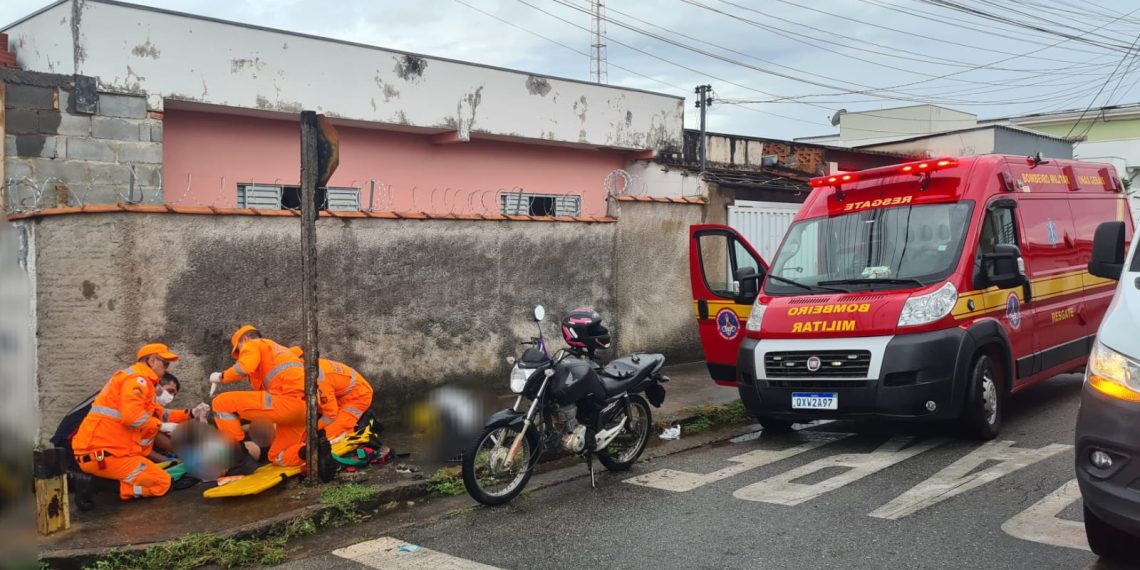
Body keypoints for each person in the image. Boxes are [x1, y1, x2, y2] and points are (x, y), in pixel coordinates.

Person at [209, 325, 335, 481]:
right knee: (277, 457)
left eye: (239, 350)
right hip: (305, 410)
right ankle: (310, 451)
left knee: (221, 403)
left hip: (288, 403)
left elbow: (244, 367)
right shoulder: (279, 352)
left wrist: (220, 377)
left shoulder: (253, 344)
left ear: (245, 339)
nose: (240, 354)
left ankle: (237, 459)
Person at [71, 343, 180, 500]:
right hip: (105, 455)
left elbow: (159, 415)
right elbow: (132, 418)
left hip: (103, 453)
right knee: (162, 483)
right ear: (152, 361)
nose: (167, 369)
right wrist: (163, 426)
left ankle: (94, 484)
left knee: (159, 477)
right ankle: (93, 485)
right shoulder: (138, 380)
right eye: (165, 363)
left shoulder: (136, 379)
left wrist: (189, 414)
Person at [316, 357, 374, 443]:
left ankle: (350, 433)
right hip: (339, 396)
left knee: (329, 435)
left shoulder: (320, 380)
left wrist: (314, 428)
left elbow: (330, 414)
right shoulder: (304, 365)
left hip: (359, 396)